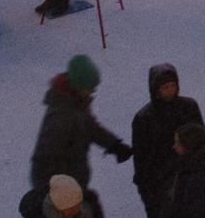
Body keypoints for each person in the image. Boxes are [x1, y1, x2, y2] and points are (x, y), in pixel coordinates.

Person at [129, 64, 202, 218]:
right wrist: (144, 185)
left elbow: (199, 139)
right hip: (156, 182)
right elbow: (140, 156)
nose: (169, 91)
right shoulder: (143, 118)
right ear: (155, 89)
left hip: (184, 177)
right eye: (164, 87)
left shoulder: (188, 107)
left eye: (173, 85)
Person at [29, 55, 131, 196]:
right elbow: (45, 158)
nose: (92, 92)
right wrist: (51, 192)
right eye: (89, 88)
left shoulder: (76, 104)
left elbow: (91, 127)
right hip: (60, 191)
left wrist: (114, 145)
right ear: (78, 86)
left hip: (74, 184)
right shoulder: (61, 115)